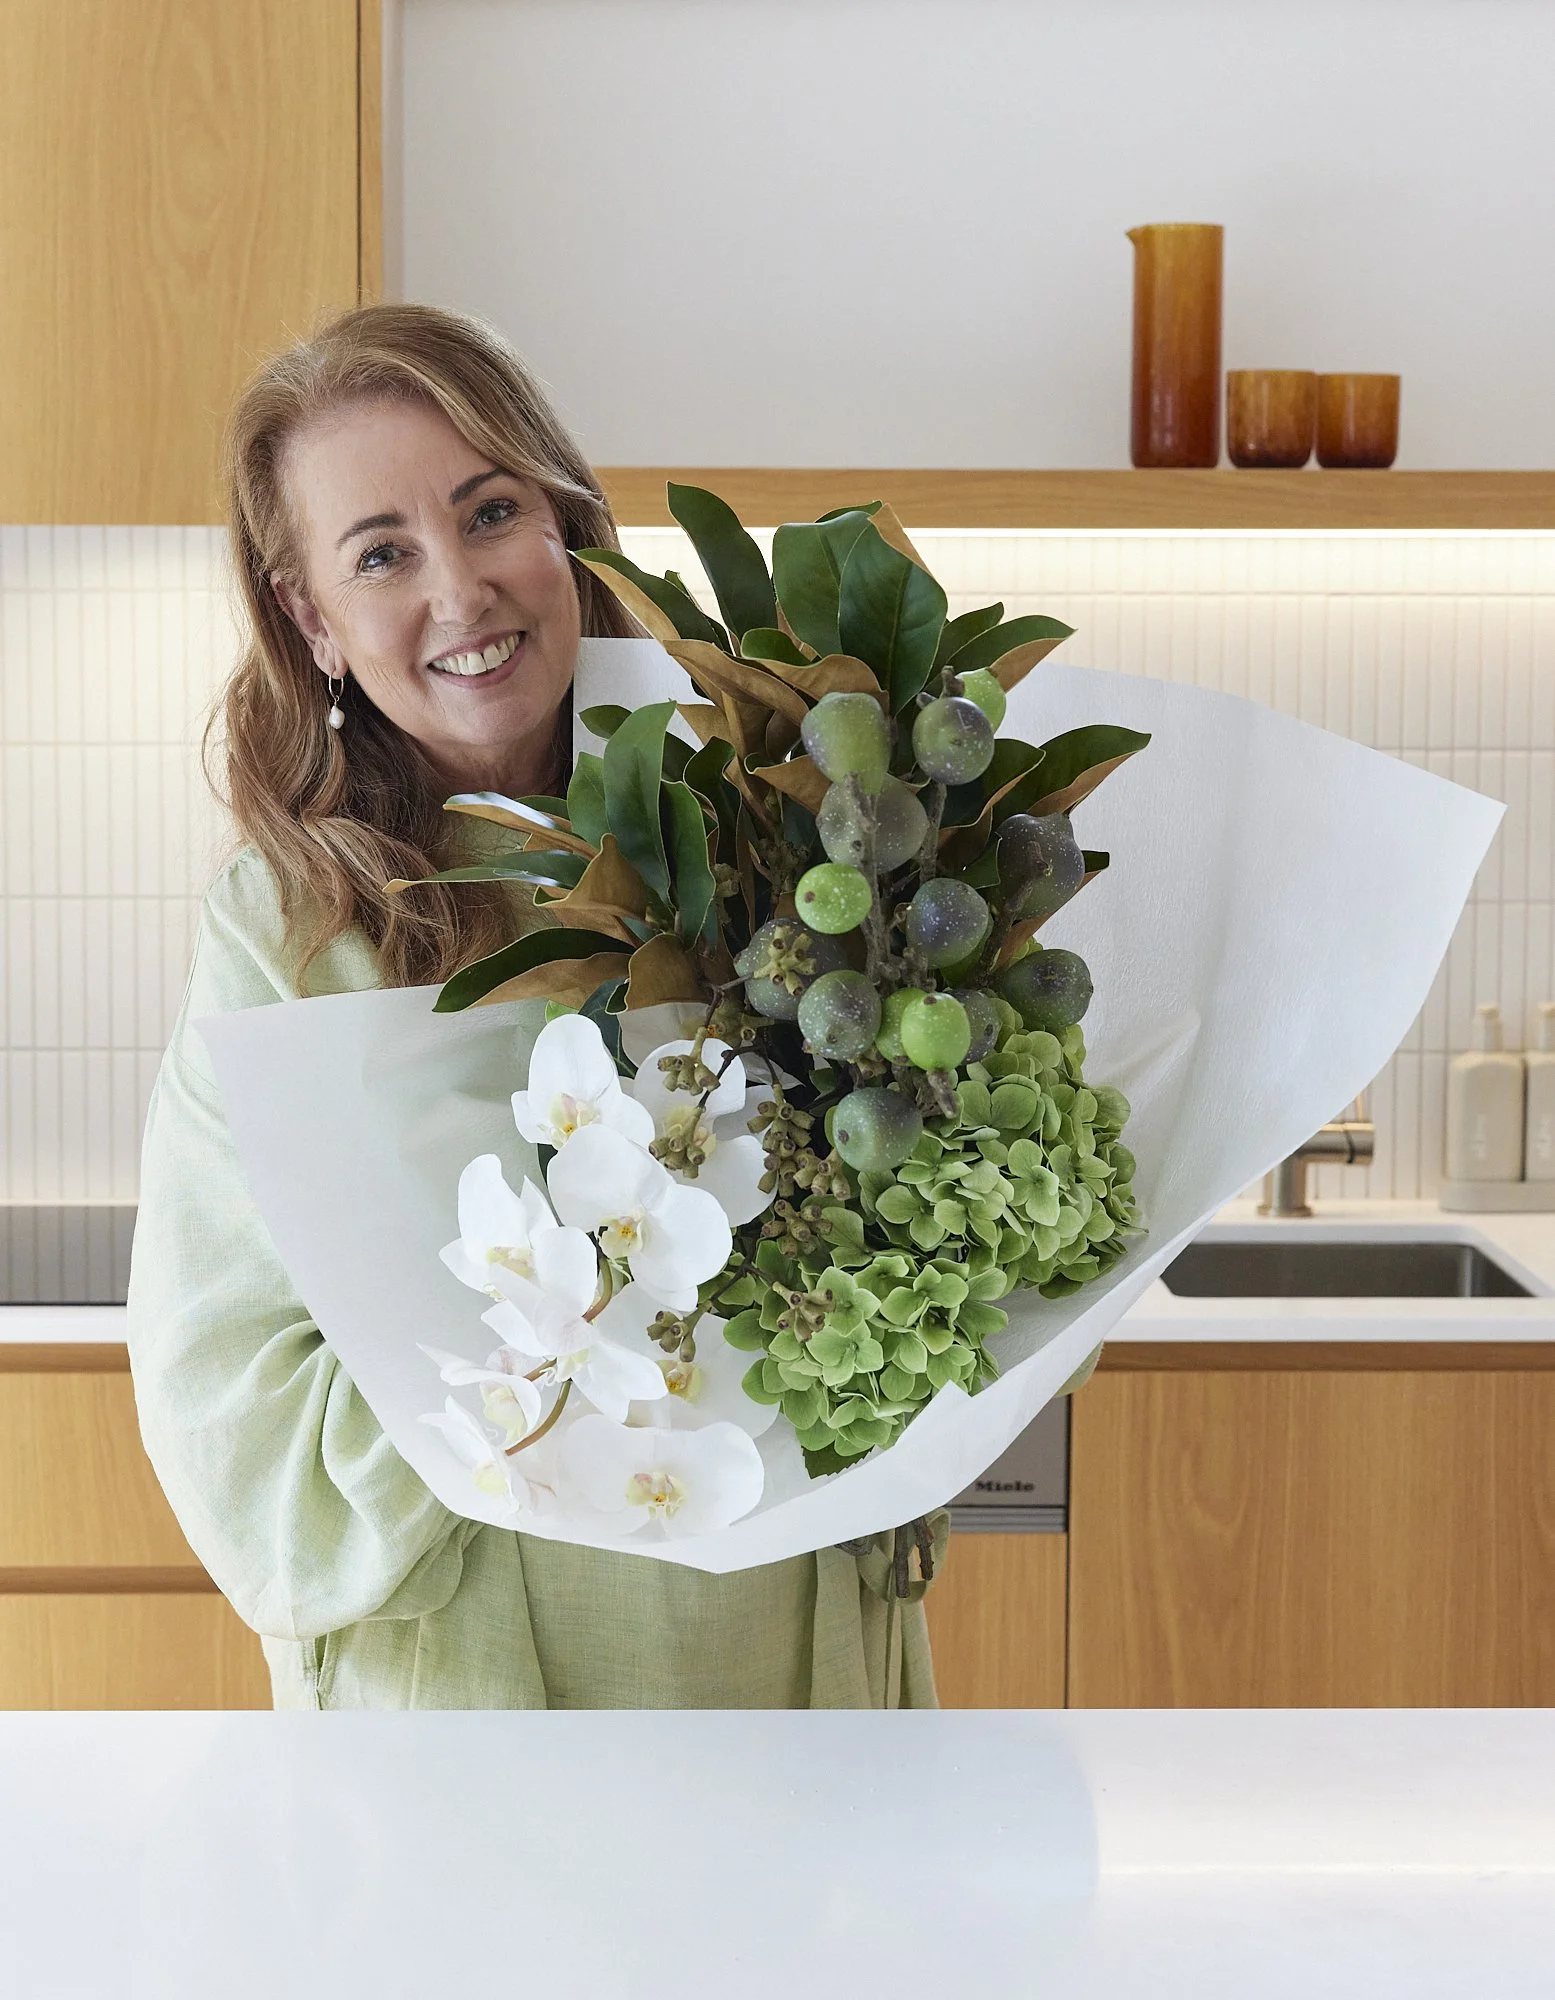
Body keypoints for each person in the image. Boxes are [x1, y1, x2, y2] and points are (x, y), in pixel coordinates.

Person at [125, 303, 939, 1709]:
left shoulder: (772, 829)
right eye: (382, 553)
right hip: (466, 1663)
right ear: (311, 619)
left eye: (488, 512)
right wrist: (518, 1392)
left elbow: (919, 1209)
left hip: (775, 1625)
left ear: (566, 525)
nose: (460, 592)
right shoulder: (289, 927)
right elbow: (222, 1365)